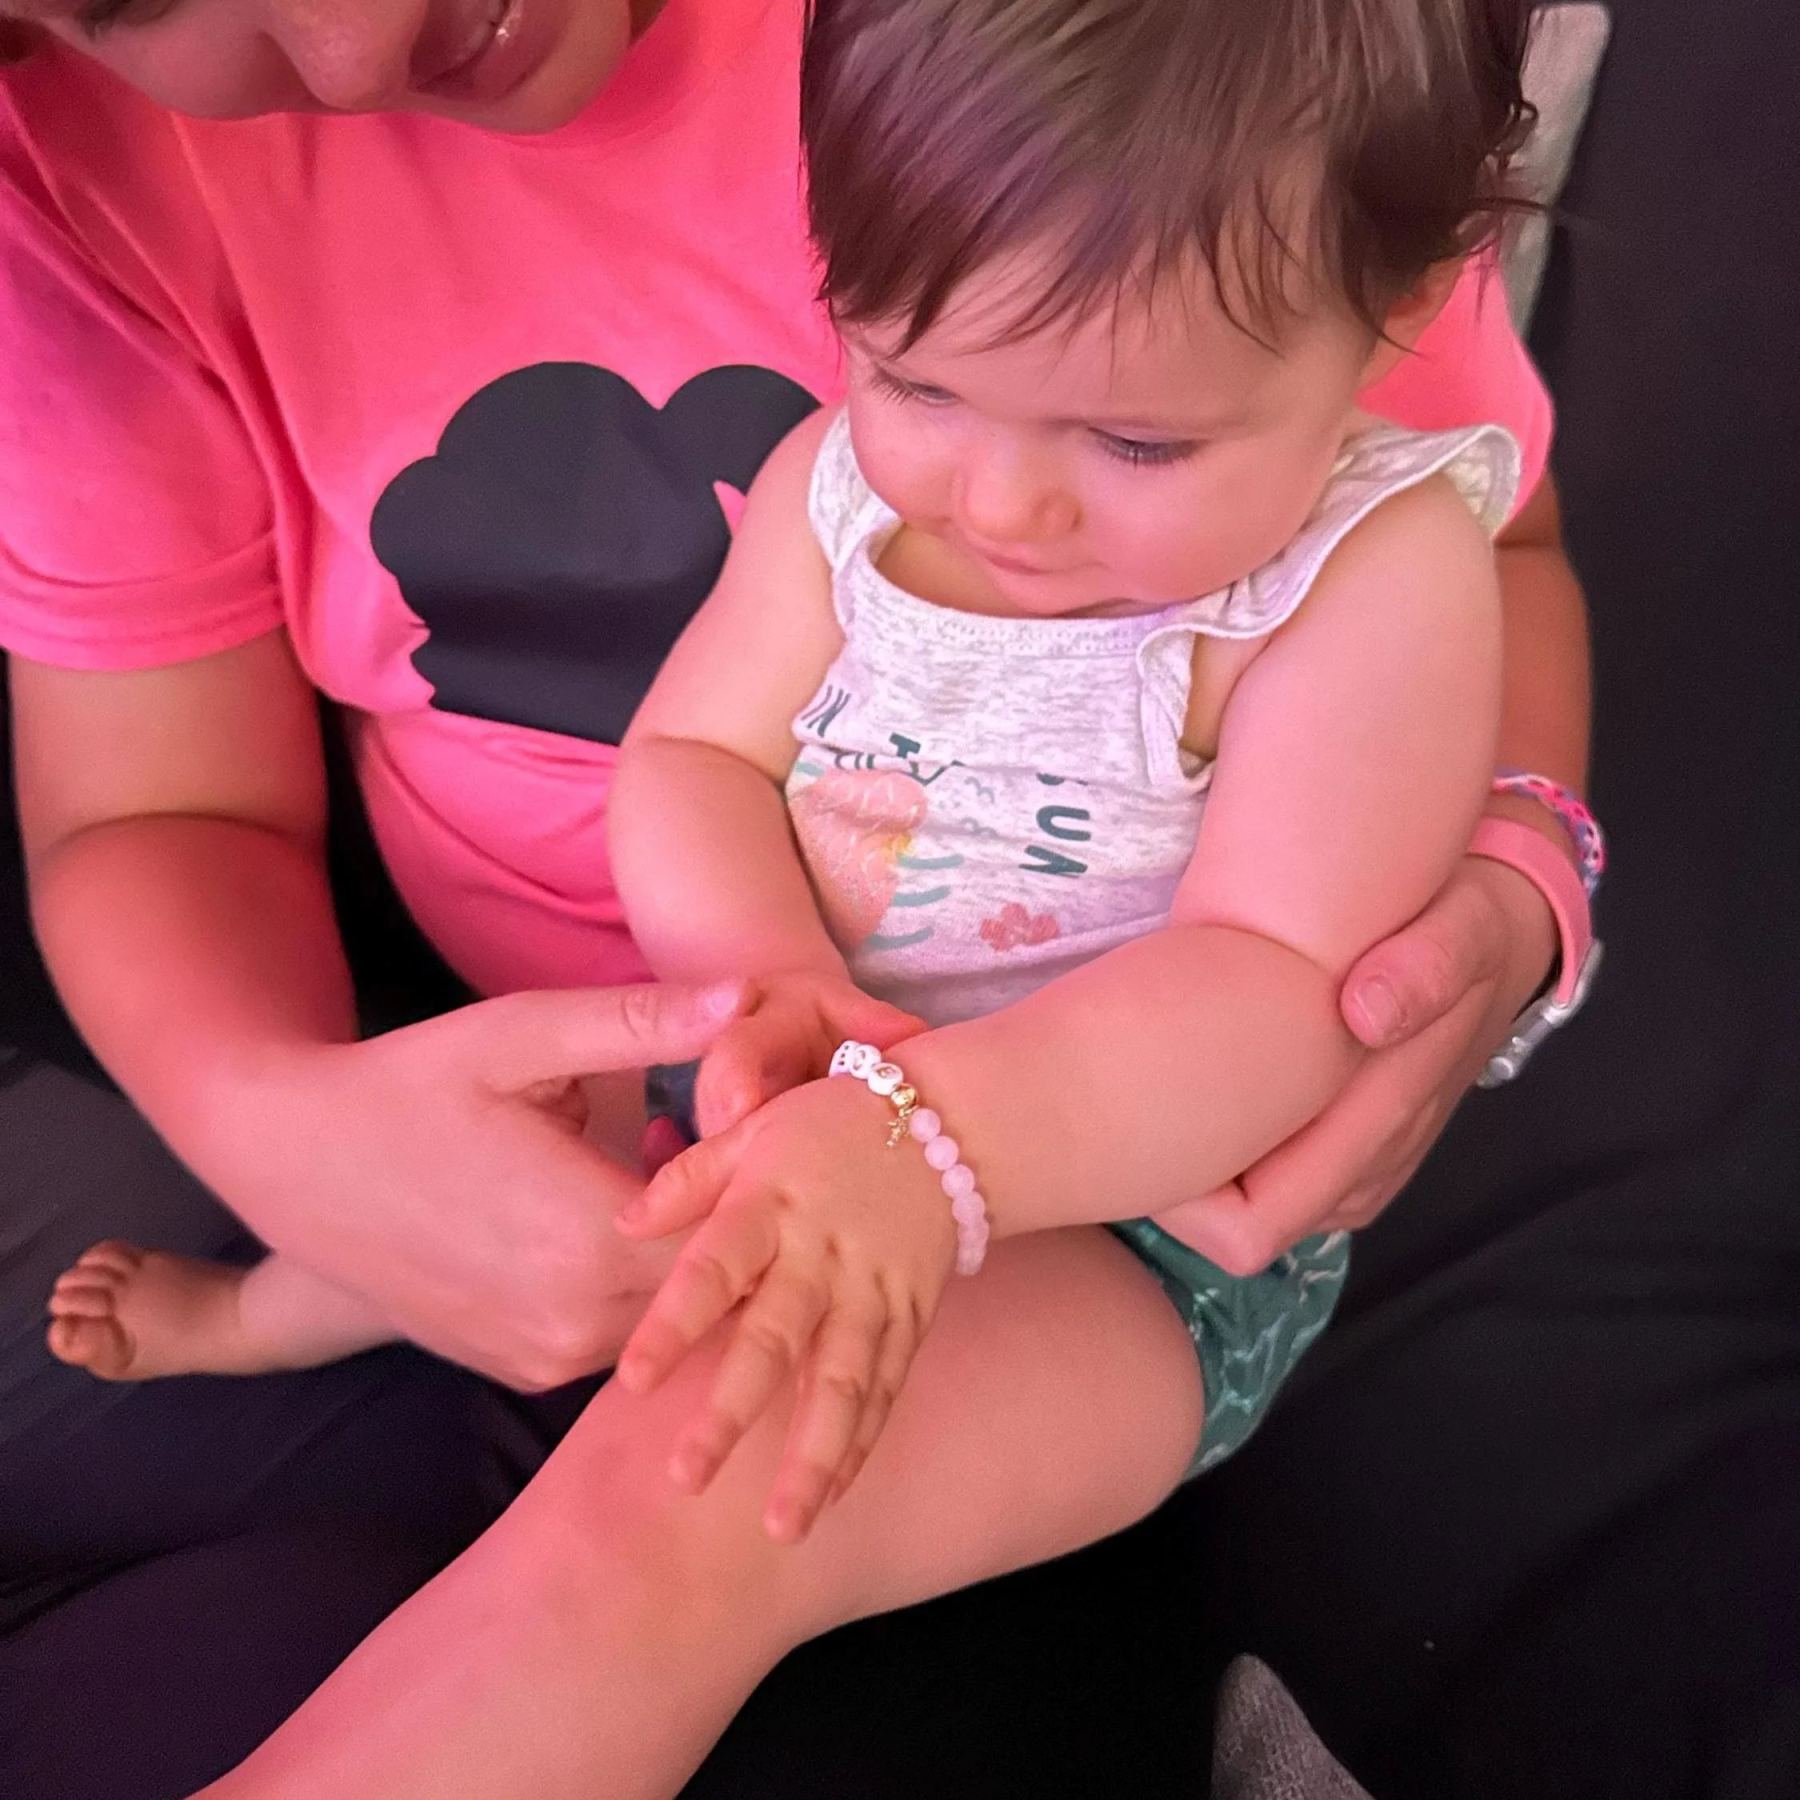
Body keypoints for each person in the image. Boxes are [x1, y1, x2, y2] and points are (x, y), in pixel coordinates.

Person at [0, 0, 1591, 1789]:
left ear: (1394, 314)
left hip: (1123, 1221)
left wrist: (917, 1137)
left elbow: (1267, 983)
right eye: (912, 381)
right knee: (533, 1170)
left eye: (1136, 449)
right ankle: (256, 1314)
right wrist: (753, 983)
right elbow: (695, 762)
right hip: (766, 1081)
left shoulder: (1368, 575)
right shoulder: (839, 489)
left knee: (697, 1490)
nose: (999, 504)